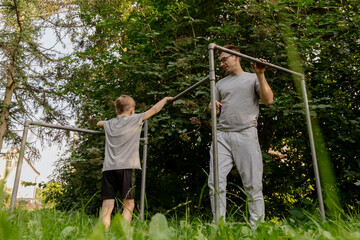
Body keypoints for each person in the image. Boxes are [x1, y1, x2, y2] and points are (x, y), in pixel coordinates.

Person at [208, 44, 274, 225]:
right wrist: (213, 107)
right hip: (221, 136)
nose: (221, 64)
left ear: (236, 57)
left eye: (224, 59)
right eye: (219, 61)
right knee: (215, 183)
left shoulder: (253, 77)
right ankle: (219, 226)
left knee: (252, 184)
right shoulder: (220, 83)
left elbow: (268, 100)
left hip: (245, 133)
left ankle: (257, 228)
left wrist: (261, 74)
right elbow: (214, 109)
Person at [97, 95, 173, 228]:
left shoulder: (109, 124)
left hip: (109, 169)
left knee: (107, 204)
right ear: (132, 110)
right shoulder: (135, 119)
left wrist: (102, 122)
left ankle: (104, 233)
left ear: (116, 111)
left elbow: (98, 123)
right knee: (129, 203)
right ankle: (123, 234)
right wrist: (165, 99)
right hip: (127, 167)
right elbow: (154, 109)